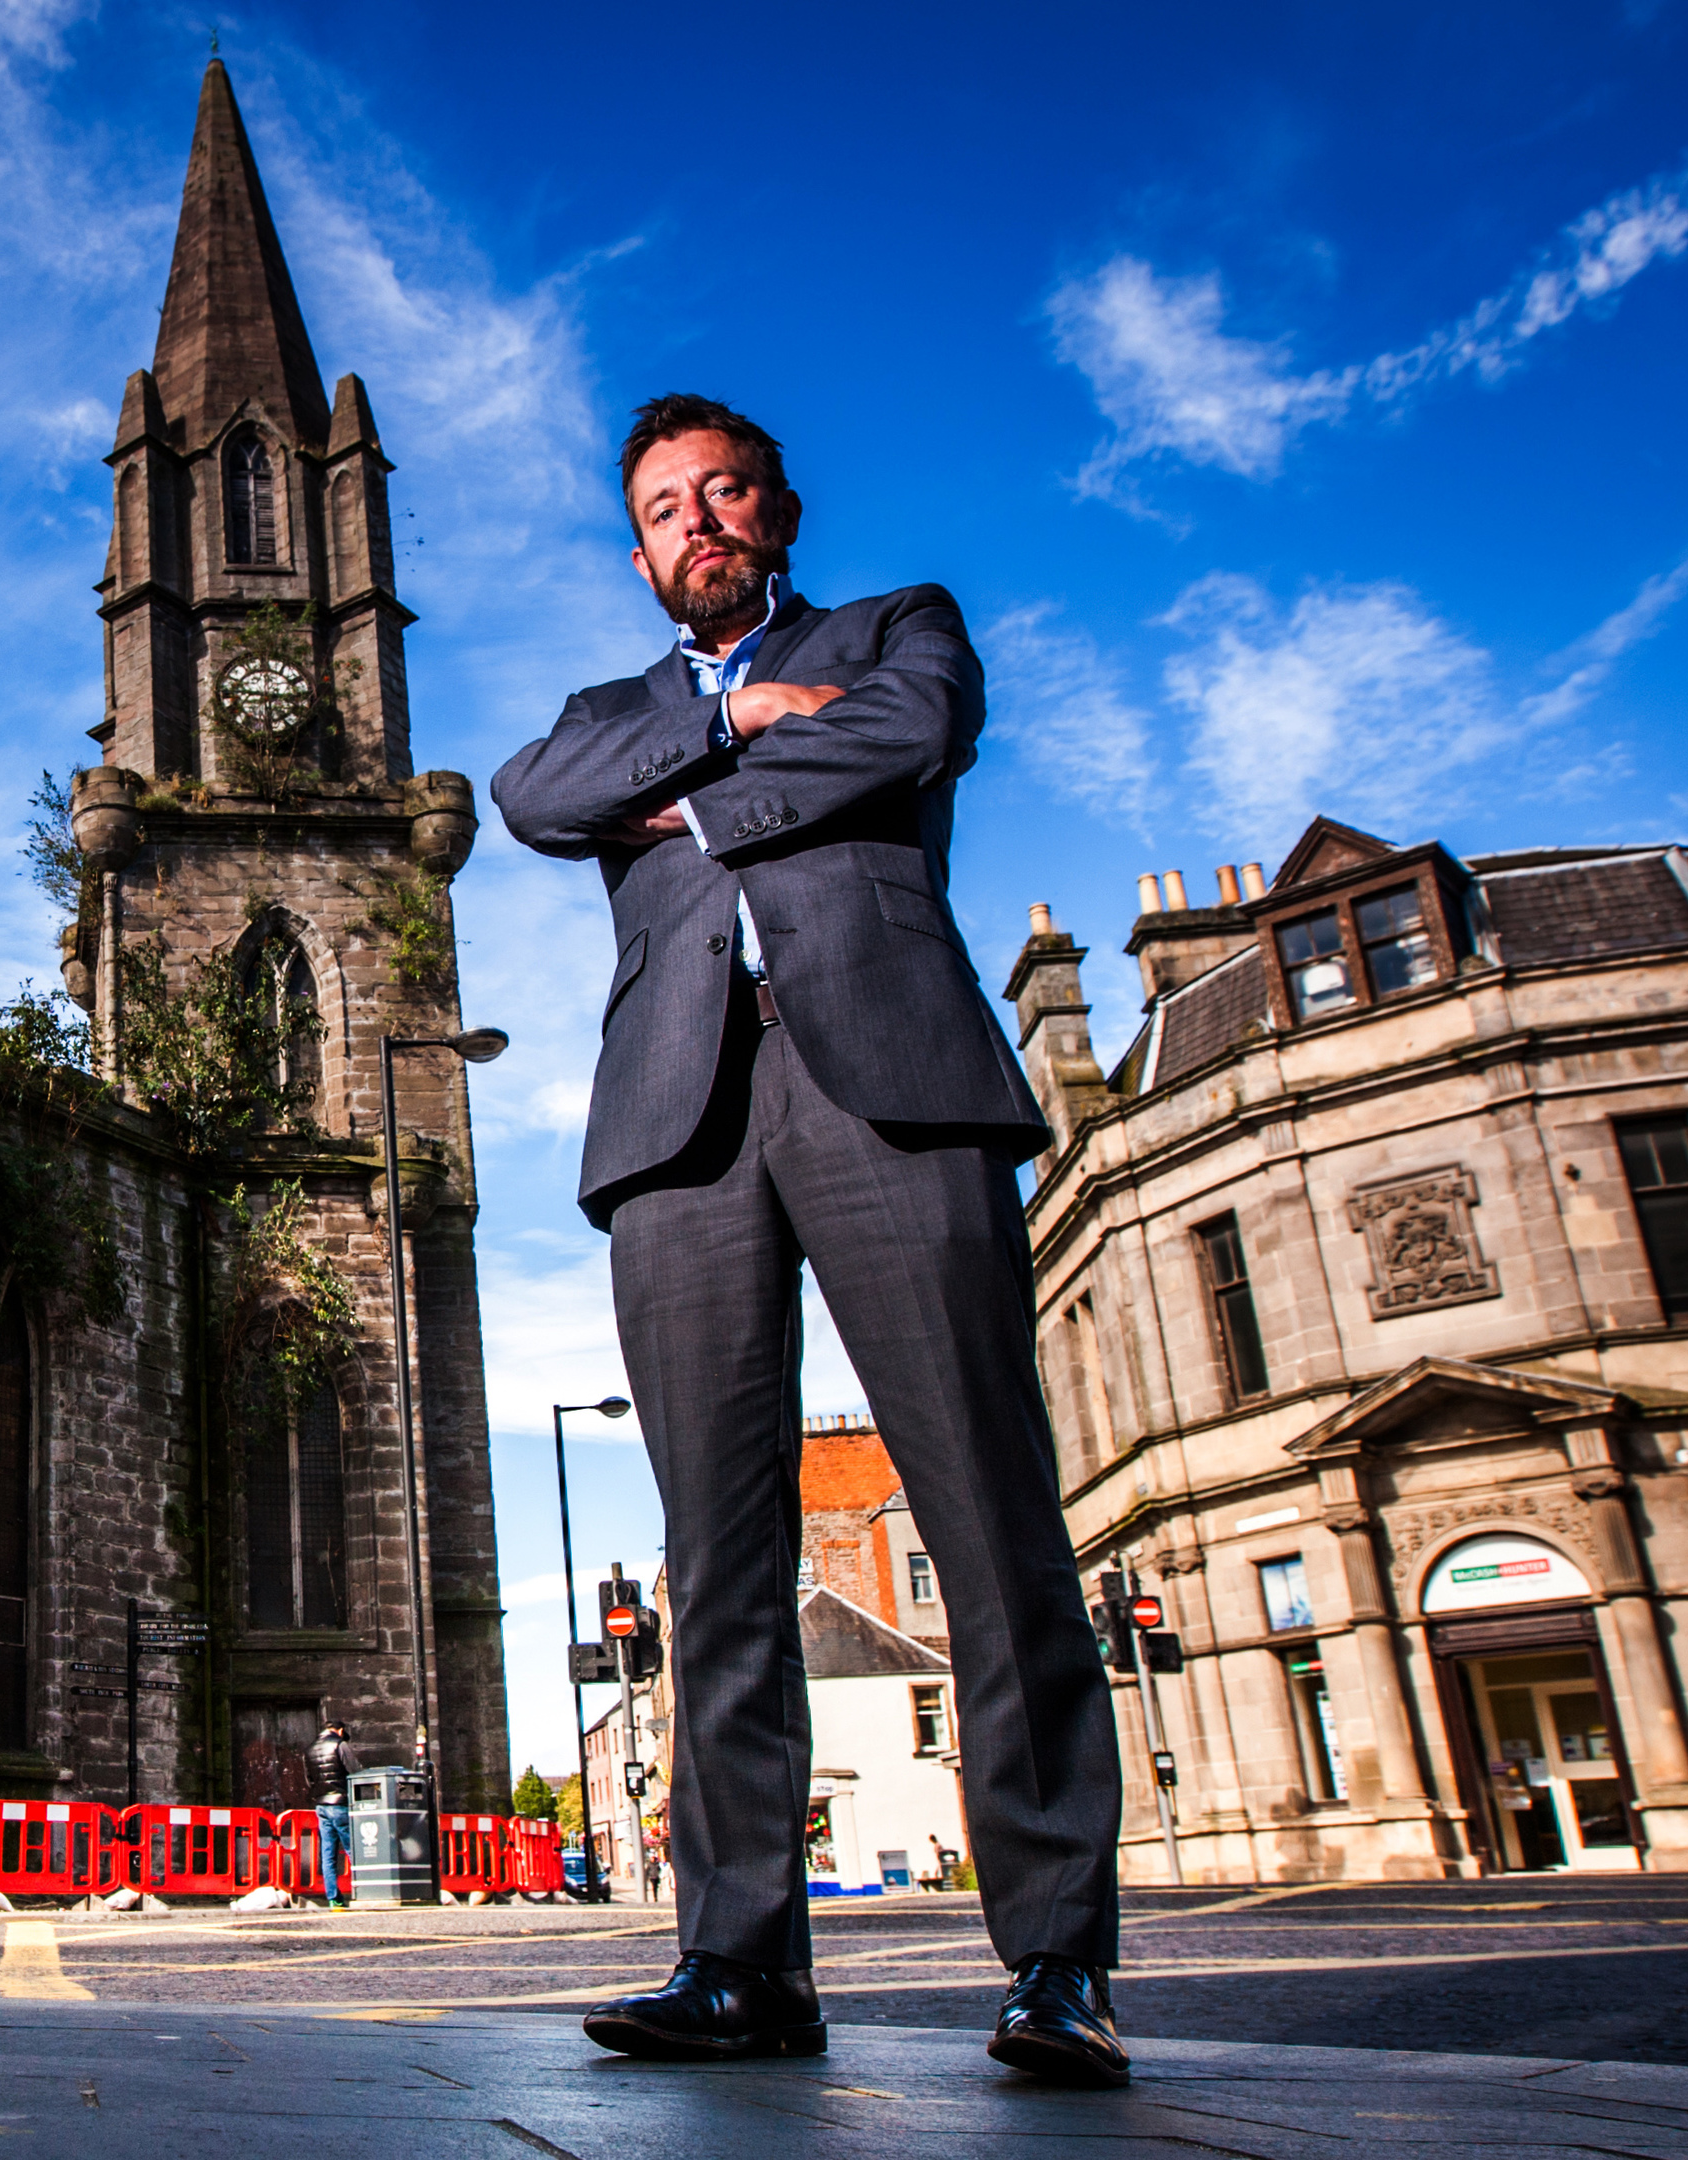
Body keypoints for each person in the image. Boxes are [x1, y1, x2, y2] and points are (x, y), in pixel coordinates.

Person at [490, 395, 1126, 2088]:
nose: (696, 522)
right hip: (677, 1124)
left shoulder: (895, 630)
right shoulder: (607, 713)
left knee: (990, 1513)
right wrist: (728, 732)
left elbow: (909, 731)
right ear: (639, 557)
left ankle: (1059, 1960)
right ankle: (742, 1962)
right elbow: (535, 798)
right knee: (719, 1561)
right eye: (663, 509)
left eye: (722, 493)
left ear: (774, 509)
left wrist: (694, 801)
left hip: (892, 1083)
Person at [309, 1719, 356, 1909]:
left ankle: (334, 1899)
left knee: (328, 1855)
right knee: (355, 1851)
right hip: (341, 1804)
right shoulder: (340, 1745)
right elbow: (355, 1771)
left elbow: (309, 1779)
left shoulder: (310, 1749)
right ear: (341, 1730)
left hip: (321, 1805)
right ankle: (363, 1891)